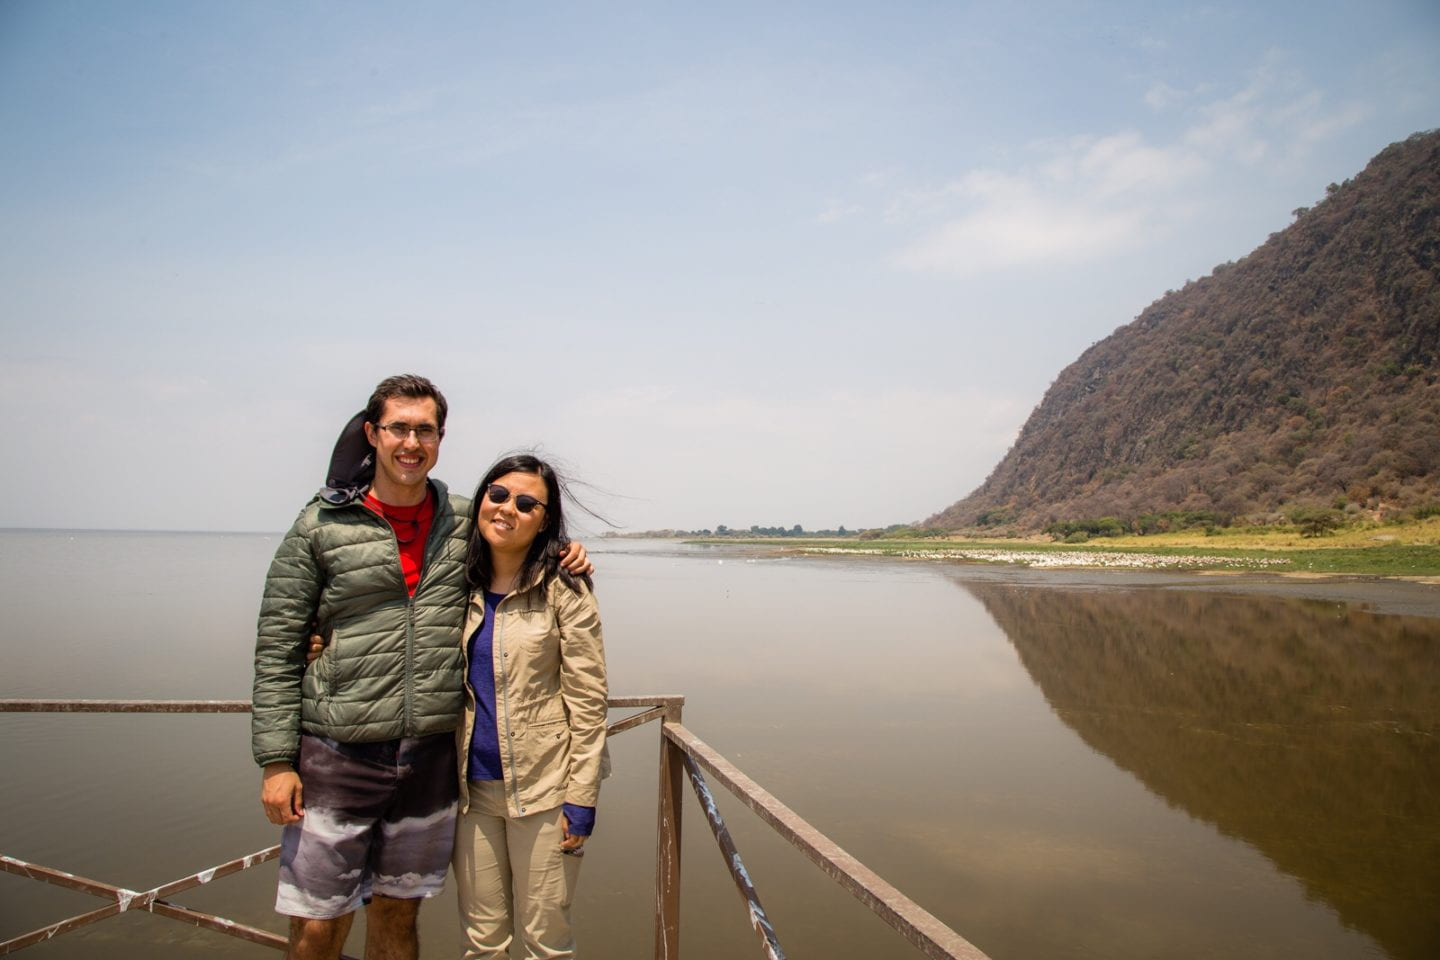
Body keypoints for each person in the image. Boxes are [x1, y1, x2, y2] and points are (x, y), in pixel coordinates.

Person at [251, 374, 590, 960]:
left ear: (440, 438)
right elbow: (278, 647)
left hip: (431, 757)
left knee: (399, 914)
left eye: (424, 430)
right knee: (316, 923)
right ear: (372, 434)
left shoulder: (464, 522)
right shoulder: (320, 527)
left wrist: (566, 550)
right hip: (338, 752)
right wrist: (277, 760)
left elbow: (522, 542)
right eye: (398, 428)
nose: (411, 442)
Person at [452, 454, 608, 960]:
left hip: (546, 791)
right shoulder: (454, 583)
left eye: (525, 503)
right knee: (483, 943)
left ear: (545, 518)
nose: (506, 509)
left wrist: (581, 799)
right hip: (469, 794)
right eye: (497, 495)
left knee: (547, 943)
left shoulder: (565, 585)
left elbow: (588, 701)